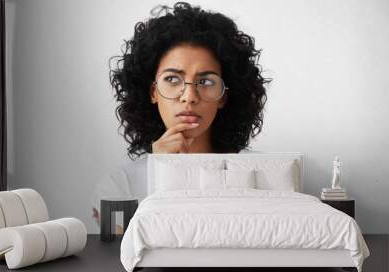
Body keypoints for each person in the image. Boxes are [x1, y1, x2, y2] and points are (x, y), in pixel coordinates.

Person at [91, 2, 271, 233]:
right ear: (153, 92)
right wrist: (160, 172)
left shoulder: (262, 174)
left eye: (206, 81)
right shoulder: (119, 186)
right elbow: (122, 258)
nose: (189, 97)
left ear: (224, 97)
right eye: (172, 79)